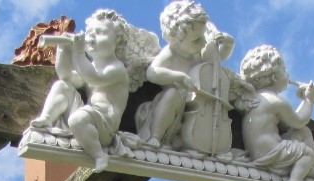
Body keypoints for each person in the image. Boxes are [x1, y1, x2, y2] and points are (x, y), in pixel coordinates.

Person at [30, 9, 129, 172]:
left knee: (77, 120)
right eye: (90, 32)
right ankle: (47, 118)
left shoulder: (117, 68)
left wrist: (77, 52)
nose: (92, 37)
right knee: (62, 86)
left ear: (117, 40)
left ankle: (99, 154)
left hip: (104, 124)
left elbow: (94, 78)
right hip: (88, 115)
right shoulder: (91, 66)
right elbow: (66, 75)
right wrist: (64, 50)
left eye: (100, 32)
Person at [135, 0, 234, 150]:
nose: (202, 43)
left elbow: (217, 58)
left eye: (202, 38)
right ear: (175, 40)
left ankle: (186, 139)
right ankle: (156, 136)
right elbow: (152, 73)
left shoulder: (197, 54)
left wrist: (228, 44)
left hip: (195, 109)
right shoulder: (170, 54)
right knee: (173, 94)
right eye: (196, 40)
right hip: (173, 105)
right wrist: (179, 77)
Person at [238, 45, 314, 181]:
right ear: (274, 76)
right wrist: (309, 99)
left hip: (257, 151)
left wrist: (303, 100)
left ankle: (310, 167)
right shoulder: (276, 101)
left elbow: (298, 127)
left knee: (303, 132)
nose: (288, 75)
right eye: (284, 69)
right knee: (307, 153)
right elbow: (299, 120)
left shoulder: (253, 99)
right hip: (270, 151)